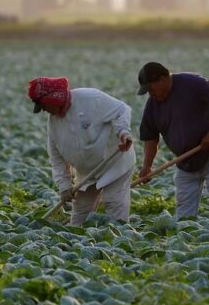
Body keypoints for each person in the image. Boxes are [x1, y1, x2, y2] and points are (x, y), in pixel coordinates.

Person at [28, 77, 136, 225]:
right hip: (87, 173)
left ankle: (120, 237)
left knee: (114, 202)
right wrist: (64, 186)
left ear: (53, 99)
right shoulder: (53, 121)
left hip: (114, 162)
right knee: (79, 216)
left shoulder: (91, 98)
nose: (44, 110)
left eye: (43, 106)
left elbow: (122, 110)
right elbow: (56, 156)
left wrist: (123, 133)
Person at [136, 62, 209, 223]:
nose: (151, 94)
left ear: (163, 79)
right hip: (185, 159)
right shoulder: (153, 106)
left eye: (151, 89)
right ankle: (188, 239)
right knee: (184, 205)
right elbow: (151, 138)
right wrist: (147, 166)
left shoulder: (191, 83)